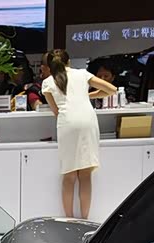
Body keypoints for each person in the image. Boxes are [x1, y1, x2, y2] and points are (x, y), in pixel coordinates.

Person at [42, 49, 117, 220]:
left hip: (67, 123)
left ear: (50, 65)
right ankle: (84, 219)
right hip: (87, 121)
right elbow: (112, 90)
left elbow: (56, 111)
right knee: (85, 174)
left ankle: (69, 219)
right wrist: (87, 96)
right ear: (69, 62)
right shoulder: (82, 74)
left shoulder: (47, 82)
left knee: (69, 175)